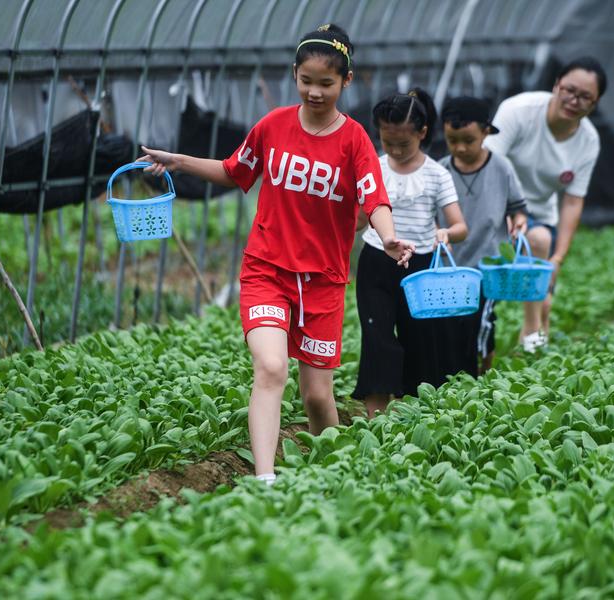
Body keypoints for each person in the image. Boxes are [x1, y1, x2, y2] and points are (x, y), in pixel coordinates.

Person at [138, 24, 415, 485]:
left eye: (326, 83)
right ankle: (265, 481)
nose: (314, 92)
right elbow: (234, 171)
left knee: (316, 398)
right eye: (306, 80)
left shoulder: (354, 142)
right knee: (269, 367)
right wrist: (180, 161)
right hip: (266, 269)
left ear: (346, 82)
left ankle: (335, 469)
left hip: (323, 282)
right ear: (294, 75)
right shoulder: (273, 126)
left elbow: (374, 197)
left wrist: (387, 236)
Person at [352, 88, 468, 418]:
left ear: (422, 132)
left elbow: (460, 225)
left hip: (421, 268)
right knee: (376, 337)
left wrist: (447, 232)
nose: (396, 151)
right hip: (376, 261)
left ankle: (414, 416)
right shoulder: (373, 168)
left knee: (420, 340)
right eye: (388, 143)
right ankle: (376, 418)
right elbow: (360, 217)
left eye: (404, 144)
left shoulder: (436, 175)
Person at [484, 57, 607, 352]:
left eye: (585, 97)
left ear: (595, 103)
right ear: (556, 85)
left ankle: (533, 330)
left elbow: (573, 201)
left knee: (539, 243)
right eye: (569, 90)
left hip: (539, 213)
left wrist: (558, 259)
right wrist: (510, 211)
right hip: (494, 202)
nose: (574, 100)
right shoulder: (518, 111)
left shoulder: (588, 140)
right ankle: (528, 324)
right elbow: (487, 167)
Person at [437, 96, 528, 373]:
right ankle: (459, 373)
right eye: (453, 140)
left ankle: (482, 371)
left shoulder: (501, 168)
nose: (460, 148)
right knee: (452, 322)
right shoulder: (440, 170)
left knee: (483, 319)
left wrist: (518, 223)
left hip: (488, 264)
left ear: (486, 133)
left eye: (468, 140)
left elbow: (518, 208)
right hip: (450, 266)